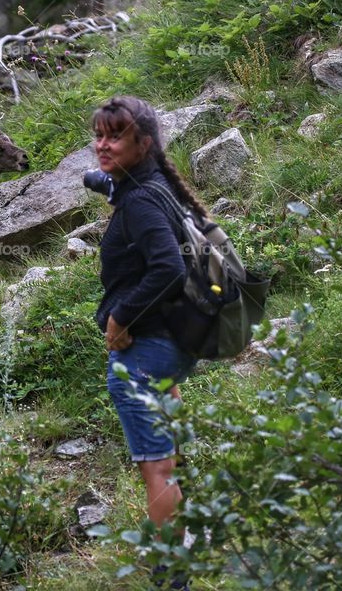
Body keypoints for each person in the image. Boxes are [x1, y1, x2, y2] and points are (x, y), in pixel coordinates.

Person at [92, 95, 209, 544]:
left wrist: (120, 319)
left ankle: (171, 569)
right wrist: (102, 182)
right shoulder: (155, 183)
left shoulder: (140, 201)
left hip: (146, 349)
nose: (102, 145)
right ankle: (192, 529)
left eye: (115, 137)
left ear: (143, 144)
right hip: (176, 342)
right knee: (171, 449)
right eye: (98, 136)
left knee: (156, 467)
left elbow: (167, 268)